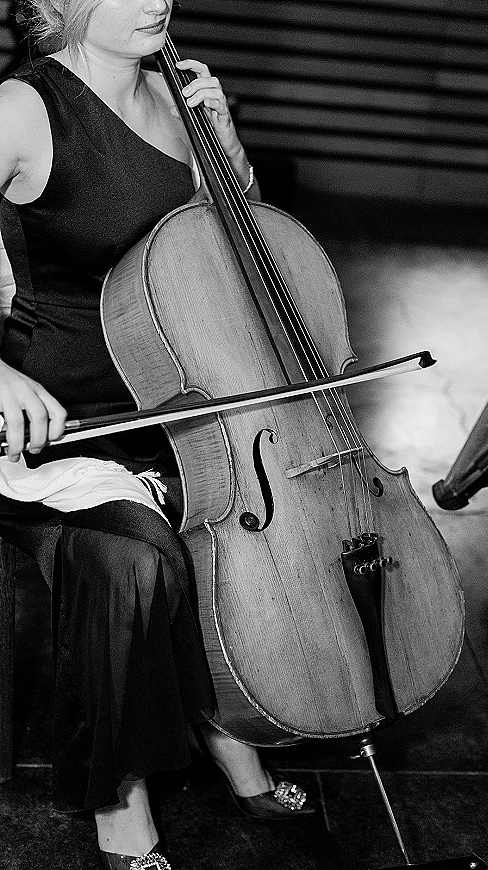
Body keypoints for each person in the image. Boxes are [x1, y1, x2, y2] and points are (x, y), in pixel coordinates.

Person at [0, 1, 313, 868]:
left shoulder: (181, 95)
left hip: (179, 397)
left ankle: (226, 717)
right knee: (134, 557)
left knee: (229, 534)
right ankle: (120, 796)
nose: (158, 0)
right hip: (55, 420)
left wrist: (226, 148)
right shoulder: (25, 109)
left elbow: (243, 248)